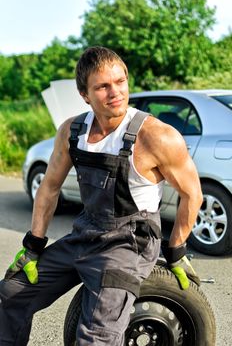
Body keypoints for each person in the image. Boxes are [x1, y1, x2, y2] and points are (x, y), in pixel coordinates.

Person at [0, 46, 203, 346]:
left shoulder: (156, 136)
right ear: (85, 94)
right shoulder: (73, 131)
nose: (115, 92)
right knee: (11, 294)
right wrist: (33, 245)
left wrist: (176, 252)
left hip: (129, 244)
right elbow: (49, 187)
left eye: (120, 82)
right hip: (86, 233)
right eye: (103, 86)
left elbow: (192, 193)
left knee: (96, 337)